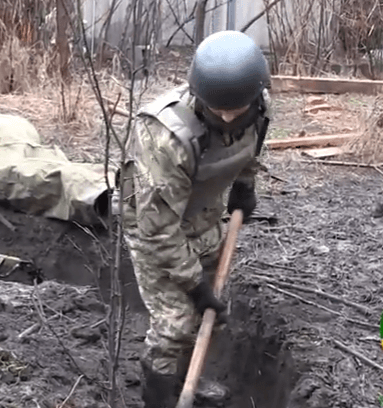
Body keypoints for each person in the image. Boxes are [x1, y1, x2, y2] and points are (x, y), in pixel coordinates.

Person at [116, 30, 272, 408]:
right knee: (175, 326)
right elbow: (157, 230)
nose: (228, 117)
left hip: (204, 217)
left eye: (236, 108)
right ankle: (159, 396)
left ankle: (190, 378)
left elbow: (252, 144)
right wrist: (194, 284)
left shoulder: (257, 103)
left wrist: (245, 184)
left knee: (211, 316)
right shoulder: (165, 136)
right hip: (156, 230)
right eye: (218, 109)